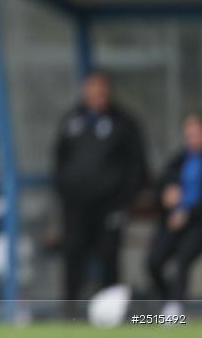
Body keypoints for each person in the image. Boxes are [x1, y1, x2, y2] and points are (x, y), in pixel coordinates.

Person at [53, 70, 147, 304]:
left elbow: (137, 164)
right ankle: (71, 309)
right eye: (92, 89)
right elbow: (59, 158)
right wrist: (64, 187)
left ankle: (110, 309)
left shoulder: (124, 122)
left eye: (101, 89)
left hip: (110, 205)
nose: (97, 94)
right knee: (73, 253)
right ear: (85, 92)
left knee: (109, 256)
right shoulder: (72, 120)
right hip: (76, 206)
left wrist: (124, 197)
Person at [146, 112, 202, 317]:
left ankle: (175, 307)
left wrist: (188, 213)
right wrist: (165, 195)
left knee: (183, 259)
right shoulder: (178, 161)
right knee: (154, 261)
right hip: (174, 220)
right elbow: (161, 188)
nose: (193, 138)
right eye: (189, 134)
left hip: (197, 222)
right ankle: (166, 300)